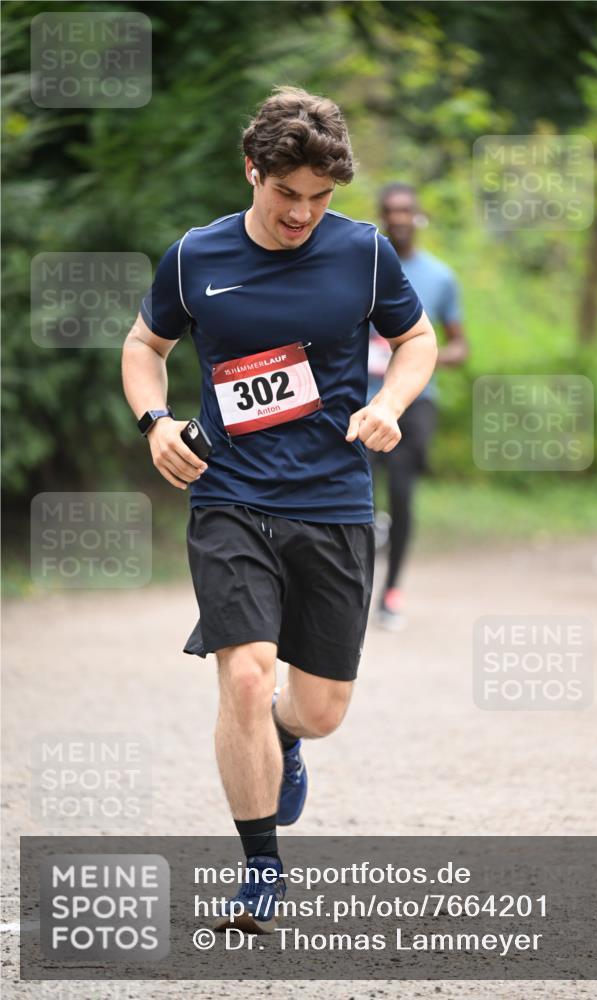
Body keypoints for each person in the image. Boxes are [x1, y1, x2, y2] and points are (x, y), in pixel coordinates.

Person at [121, 88, 437, 933]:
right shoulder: (195, 256)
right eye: (285, 193)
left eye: (318, 198)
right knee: (247, 670)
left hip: (333, 499)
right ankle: (259, 867)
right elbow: (145, 345)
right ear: (251, 171)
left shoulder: (363, 253)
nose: (301, 213)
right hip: (229, 494)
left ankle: (282, 736)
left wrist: (392, 403)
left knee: (320, 708)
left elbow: (416, 339)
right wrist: (155, 423)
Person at [368, 183, 468, 631]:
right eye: (391, 211)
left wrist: (421, 353)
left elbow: (459, 345)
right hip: (363, 397)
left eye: (406, 210)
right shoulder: (363, 267)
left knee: (404, 496)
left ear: (418, 215)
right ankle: (369, 546)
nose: (399, 218)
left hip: (416, 399)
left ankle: (392, 592)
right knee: (359, 493)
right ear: (382, 216)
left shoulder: (440, 277)